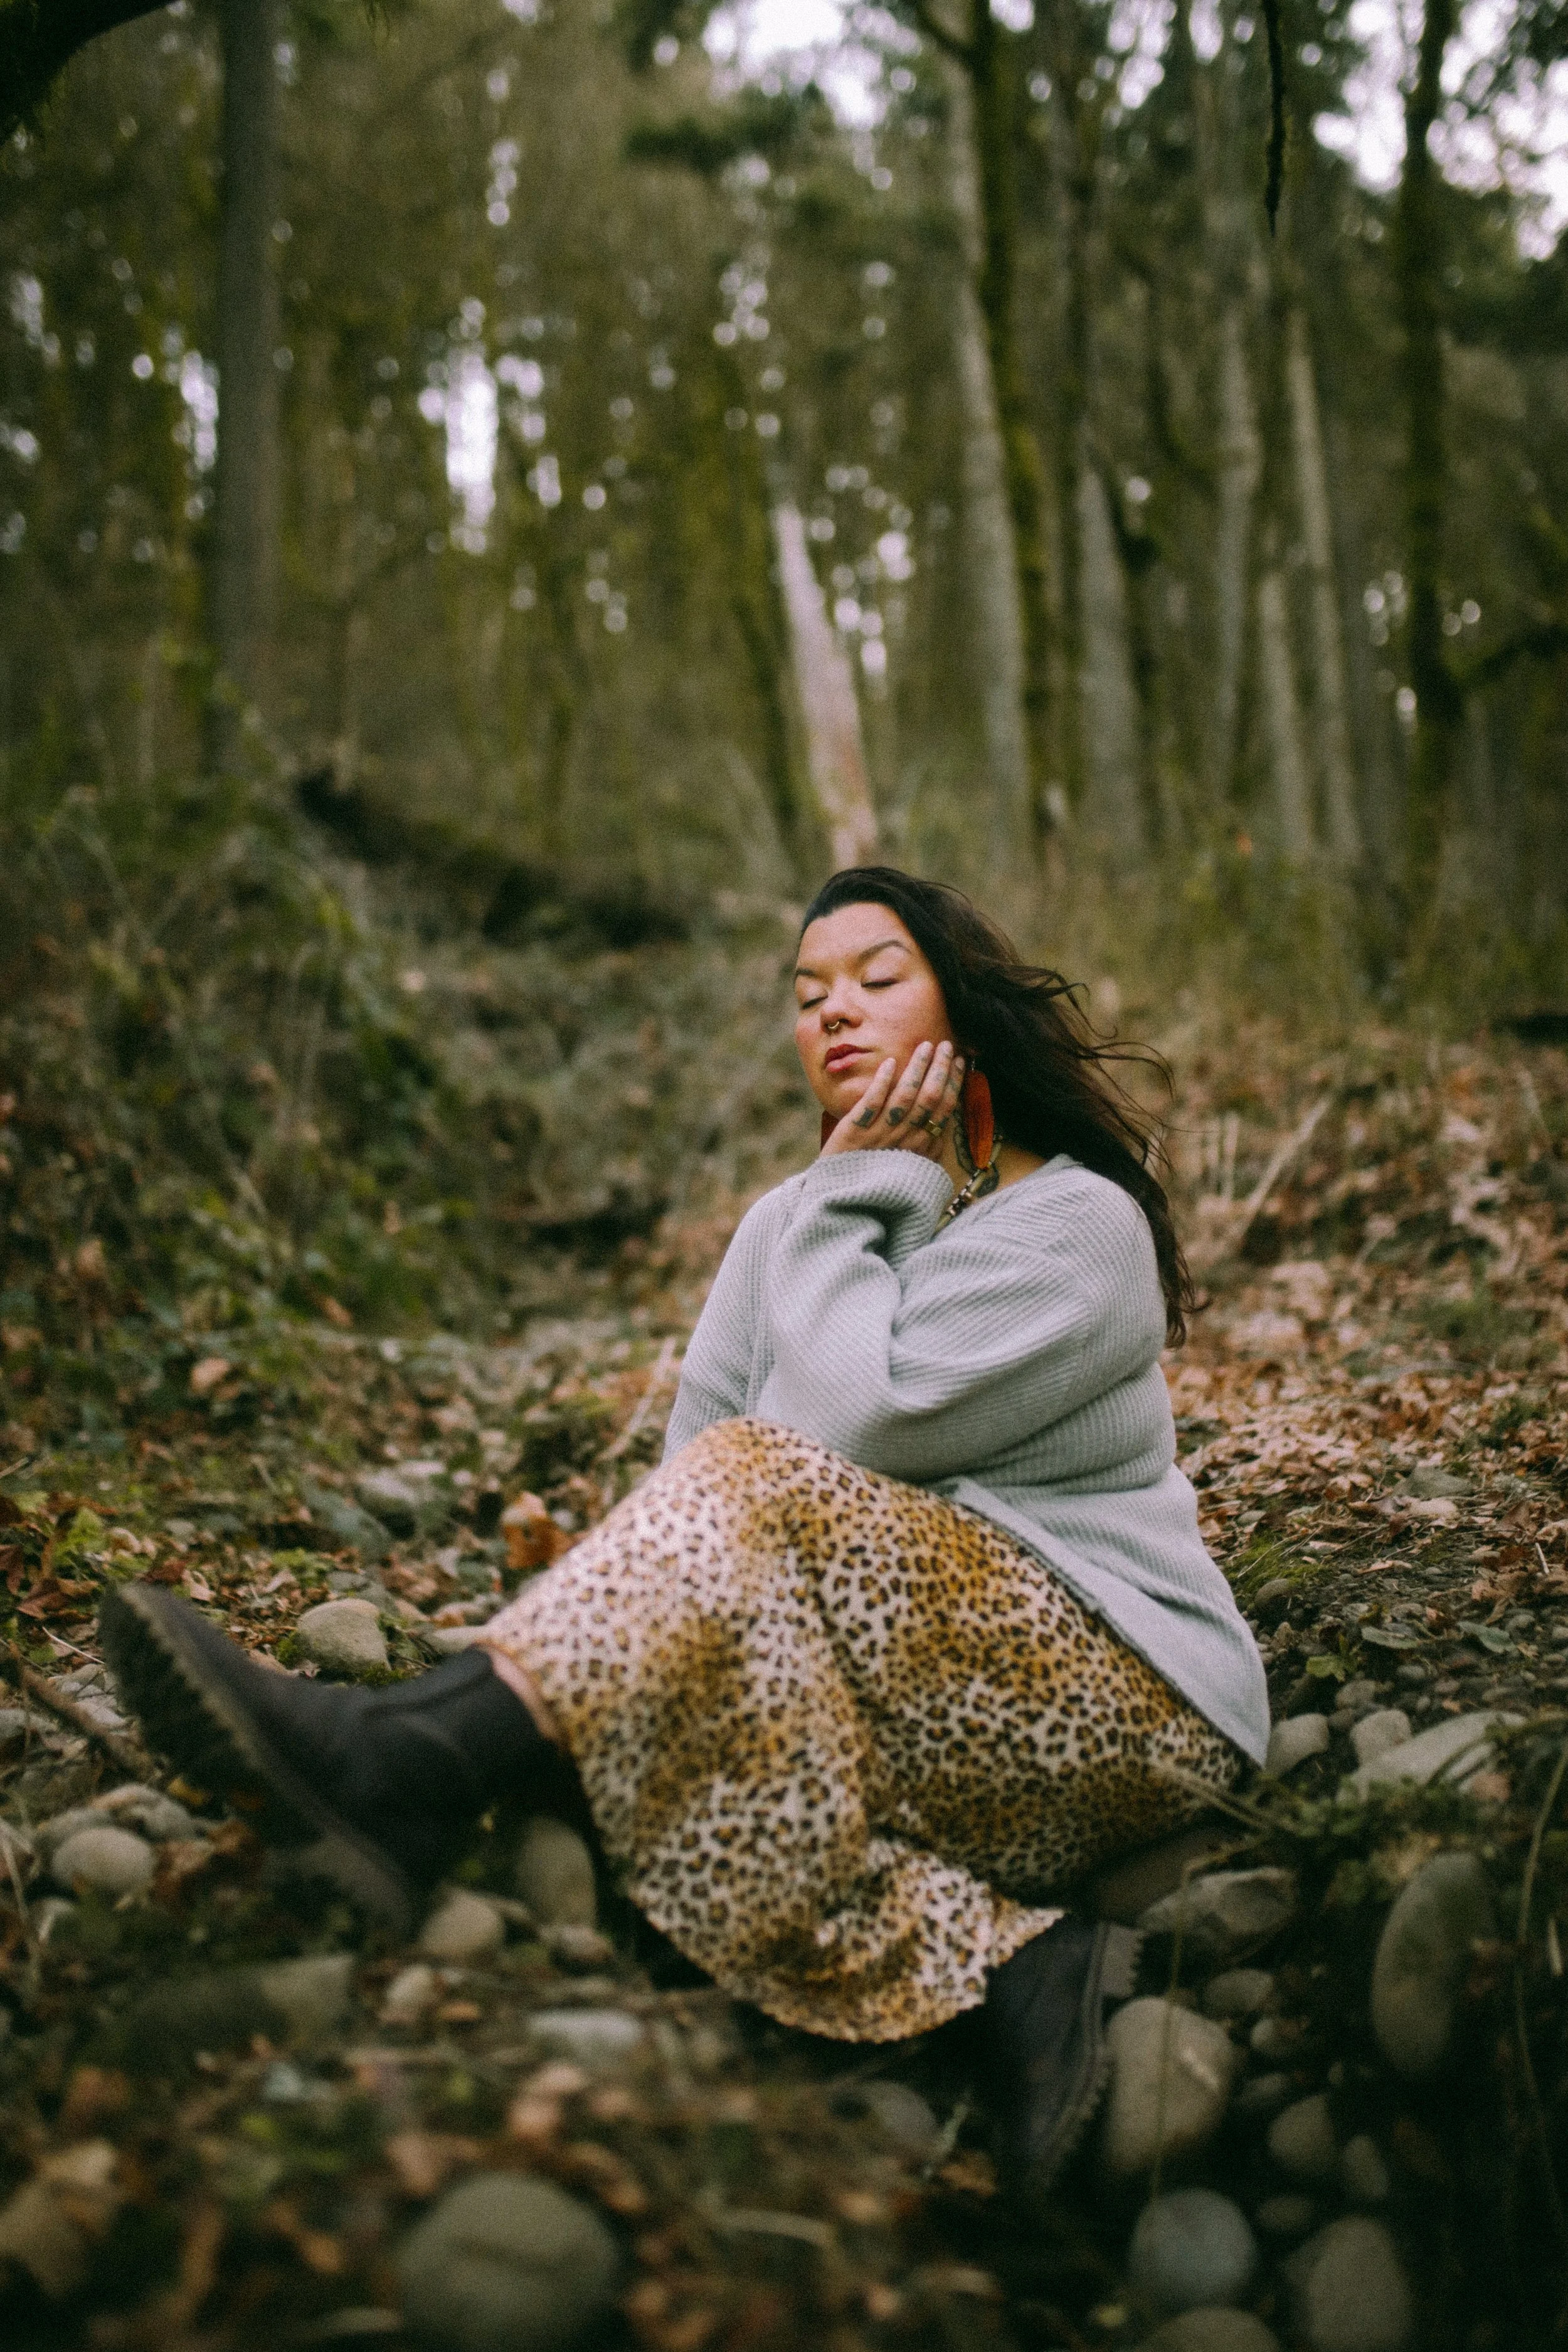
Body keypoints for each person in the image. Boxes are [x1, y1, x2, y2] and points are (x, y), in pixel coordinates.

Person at [100, 867, 1268, 2202]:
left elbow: (849, 1429)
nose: (833, 1012)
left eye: (876, 979)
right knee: (645, 1705)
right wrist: (575, 1650)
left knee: (739, 1518)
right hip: (903, 1694)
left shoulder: (1076, 1223)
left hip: (1116, 1694)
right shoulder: (786, 1223)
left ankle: (398, 1760)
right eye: (806, 994)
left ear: (964, 1007)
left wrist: (848, 1191)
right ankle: (999, 1959)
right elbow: (688, 1493)